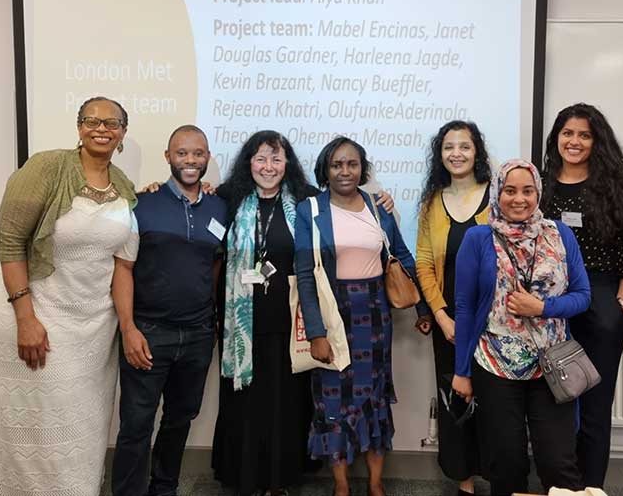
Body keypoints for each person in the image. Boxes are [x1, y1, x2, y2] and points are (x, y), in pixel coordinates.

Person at [0, 96, 139, 496]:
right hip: (37, 313)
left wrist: (127, 325)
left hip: (94, 328)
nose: (102, 128)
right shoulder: (46, 167)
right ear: (79, 127)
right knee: (35, 425)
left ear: (123, 133)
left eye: (112, 123)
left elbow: (122, 263)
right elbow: (10, 243)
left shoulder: (124, 185)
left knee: (82, 426)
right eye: (92, 120)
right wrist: (26, 320)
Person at [294, 137, 429, 496]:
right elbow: (306, 275)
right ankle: (340, 485)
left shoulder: (377, 206)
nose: (344, 171)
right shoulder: (310, 210)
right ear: (325, 169)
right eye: (337, 164)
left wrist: (422, 307)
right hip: (332, 311)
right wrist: (316, 332)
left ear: (362, 169)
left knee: (373, 398)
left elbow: (401, 255)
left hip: (374, 314)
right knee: (333, 398)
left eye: (352, 164)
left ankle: (375, 483)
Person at [452, 160, 590, 496]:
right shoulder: (477, 237)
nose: (519, 199)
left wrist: (542, 308)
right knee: (505, 463)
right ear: (497, 193)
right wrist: (461, 371)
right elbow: (465, 307)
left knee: (559, 463)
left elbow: (582, 297)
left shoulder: (560, 234)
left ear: (538, 193)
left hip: (552, 366)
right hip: (495, 365)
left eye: (527, 190)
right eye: (509, 190)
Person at [111, 125, 228, 496]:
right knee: (136, 424)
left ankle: (164, 488)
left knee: (180, 420)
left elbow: (215, 265)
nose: (190, 161)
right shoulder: (143, 204)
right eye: (182, 153)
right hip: (148, 331)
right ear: (168, 157)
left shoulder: (219, 206)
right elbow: (123, 268)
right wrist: (128, 328)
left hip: (197, 334)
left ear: (208, 158)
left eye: (198, 153)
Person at [539, 103, 623, 487]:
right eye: (567, 133)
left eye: (584, 134)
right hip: (551, 304)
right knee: (553, 403)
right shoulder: (540, 185)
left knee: (596, 407)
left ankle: (590, 488)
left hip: (602, 300)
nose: (574, 141)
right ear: (556, 138)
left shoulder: (619, 189)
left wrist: (621, 303)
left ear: (597, 140)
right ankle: (559, 485)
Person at [210, 131, 320, 496]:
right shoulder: (228, 199)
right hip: (240, 322)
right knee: (245, 401)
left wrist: (379, 198)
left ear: (288, 164)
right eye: (261, 158)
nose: (268, 167)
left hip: (289, 320)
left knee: (286, 402)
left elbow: (347, 205)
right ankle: (244, 475)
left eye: (276, 159)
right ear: (248, 163)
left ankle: (280, 478)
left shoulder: (306, 201)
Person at [415, 120, 491, 496]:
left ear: (477, 151)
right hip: (449, 321)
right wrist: (442, 316)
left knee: (495, 399)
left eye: (464, 146)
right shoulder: (432, 202)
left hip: (495, 323)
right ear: (440, 154)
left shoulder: (497, 195)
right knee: (455, 400)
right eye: (449, 147)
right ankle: (464, 481)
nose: (456, 153)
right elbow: (424, 263)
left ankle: (498, 474)